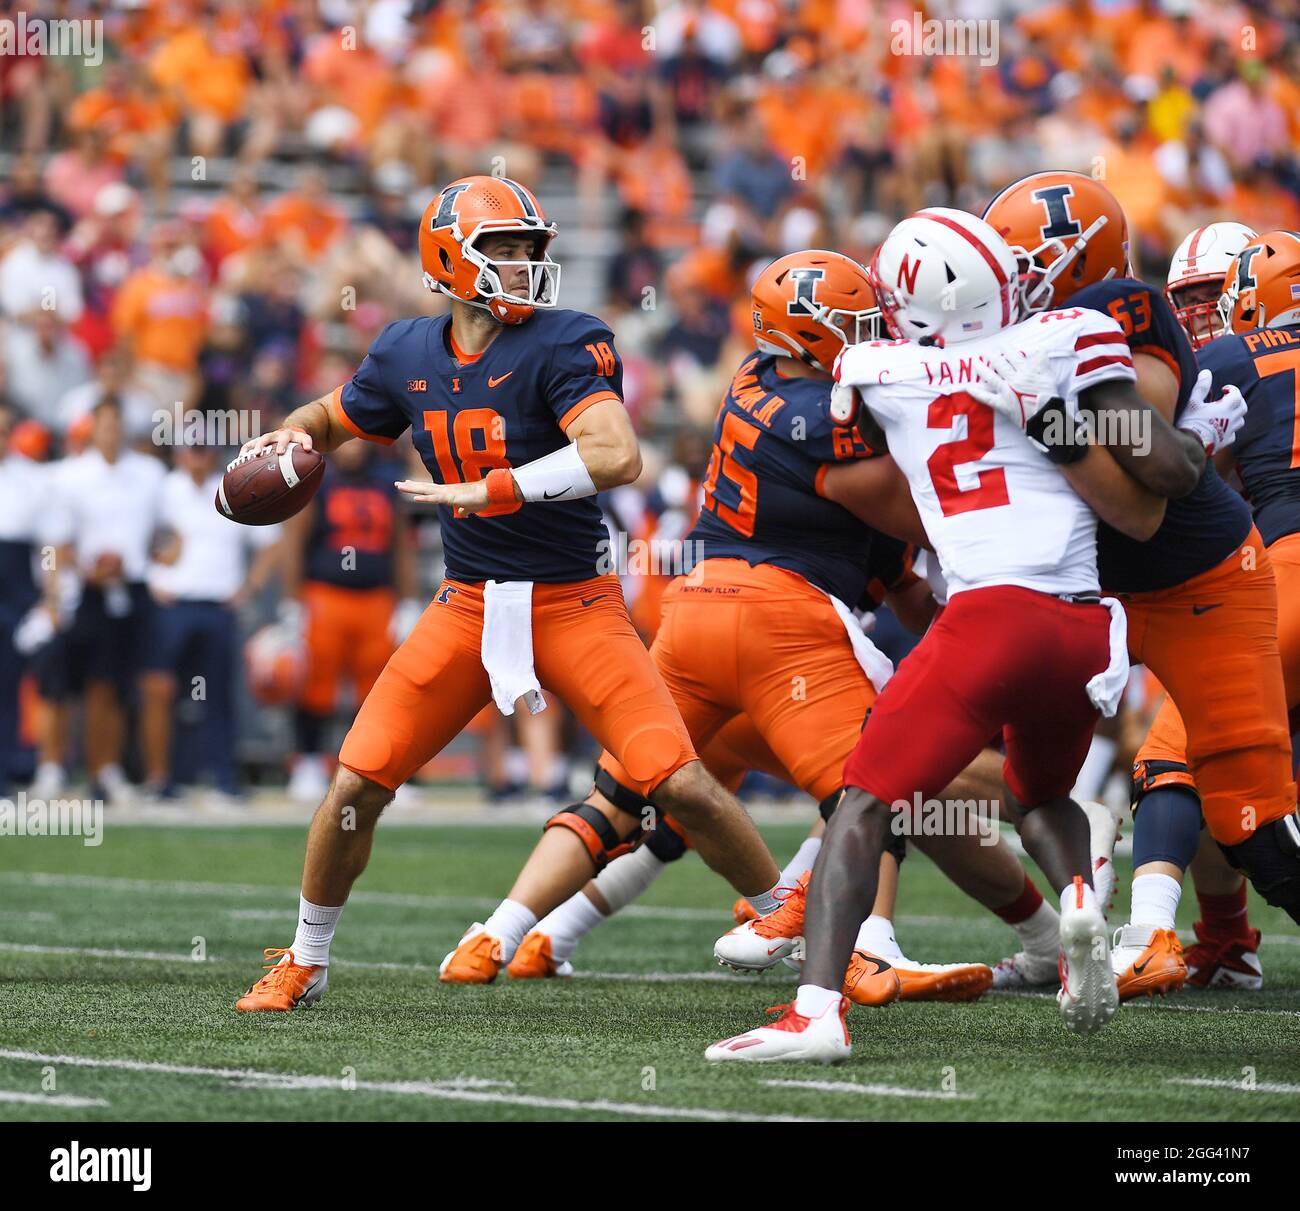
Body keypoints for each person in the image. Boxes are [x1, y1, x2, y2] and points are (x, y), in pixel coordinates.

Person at [232, 176, 786, 1011]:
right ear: (451, 258)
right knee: (355, 786)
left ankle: (801, 928)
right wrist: (294, 435)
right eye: (506, 249)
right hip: (469, 603)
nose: (526, 265)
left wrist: (497, 488)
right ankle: (305, 959)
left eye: (533, 249)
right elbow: (333, 413)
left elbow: (616, 453)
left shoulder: (566, 341)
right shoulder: (406, 352)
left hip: (575, 601)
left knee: (677, 781)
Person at [706, 207, 1218, 1062]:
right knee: (1038, 796)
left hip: (990, 616)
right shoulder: (1066, 338)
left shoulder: (876, 368)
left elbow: (828, 437)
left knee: (863, 803)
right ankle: (1081, 897)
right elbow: (1175, 468)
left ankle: (816, 1013)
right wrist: (1056, 416)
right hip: (1087, 633)